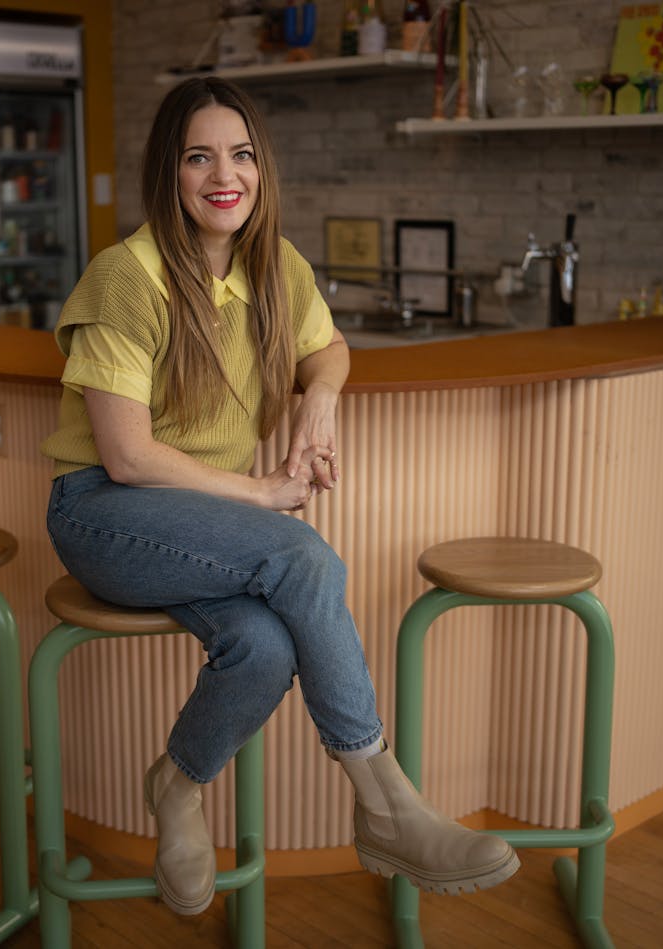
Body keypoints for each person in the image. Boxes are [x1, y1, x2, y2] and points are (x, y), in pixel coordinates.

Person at [39, 76, 518, 916]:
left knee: (263, 647)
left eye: (241, 154)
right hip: (102, 516)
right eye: (199, 157)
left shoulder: (275, 267)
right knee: (299, 552)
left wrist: (318, 400)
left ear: (262, 167)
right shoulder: (125, 277)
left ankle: (176, 786)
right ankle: (385, 801)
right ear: (170, 172)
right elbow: (125, 457)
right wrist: (264, 493)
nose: (224, 174)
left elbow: (327, 349)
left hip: (198, 522)